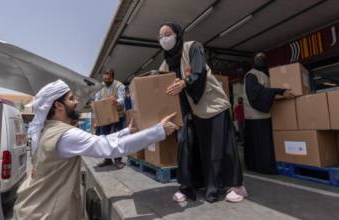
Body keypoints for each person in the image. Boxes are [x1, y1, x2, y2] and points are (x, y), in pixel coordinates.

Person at [14, 79, 178, 220]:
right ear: (58, 105)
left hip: (36, 208)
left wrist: (127, 131)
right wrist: (159, 130)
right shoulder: (66, 135)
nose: (76, 102)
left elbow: (101, 141)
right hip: (45, 214)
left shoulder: (49, 129)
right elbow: (111, 148)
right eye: (71, 99)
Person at [158, 22, 247, 203]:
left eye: (167, 34)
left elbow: (199, 72)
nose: (164, 39)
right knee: (186, 144)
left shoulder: (192, 47)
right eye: (160, 37)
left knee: (217, 147)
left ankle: (236, 185)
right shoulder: (165, 64)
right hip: (190, 111)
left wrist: (184, 82)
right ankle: (188, 186)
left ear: (177, 33)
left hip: (211, 105)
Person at [243, 52, 294, 174]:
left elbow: (265, 91)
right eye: (258, 58)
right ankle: (264, 167)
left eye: (262, 58)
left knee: (261, 144)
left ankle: (258, 165)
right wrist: (280, 91)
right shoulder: (251, 75)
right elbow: (257, 92)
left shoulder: (265, 74)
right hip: (256, 116)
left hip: (262, 115)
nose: (260, 60)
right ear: (254, 61)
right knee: (261, 145)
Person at [94, 69, 126, 169]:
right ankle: (108, 159)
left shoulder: (119, 86)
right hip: (105, 117)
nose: (106, 81)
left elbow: (122, 99)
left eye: (108, 79)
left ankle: (118, 160)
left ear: (112, 77)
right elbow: (96, 100)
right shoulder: (100, 87)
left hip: (118, 115)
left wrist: (116, 101)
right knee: (104, 138)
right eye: (104, 79)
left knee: (117, 137)